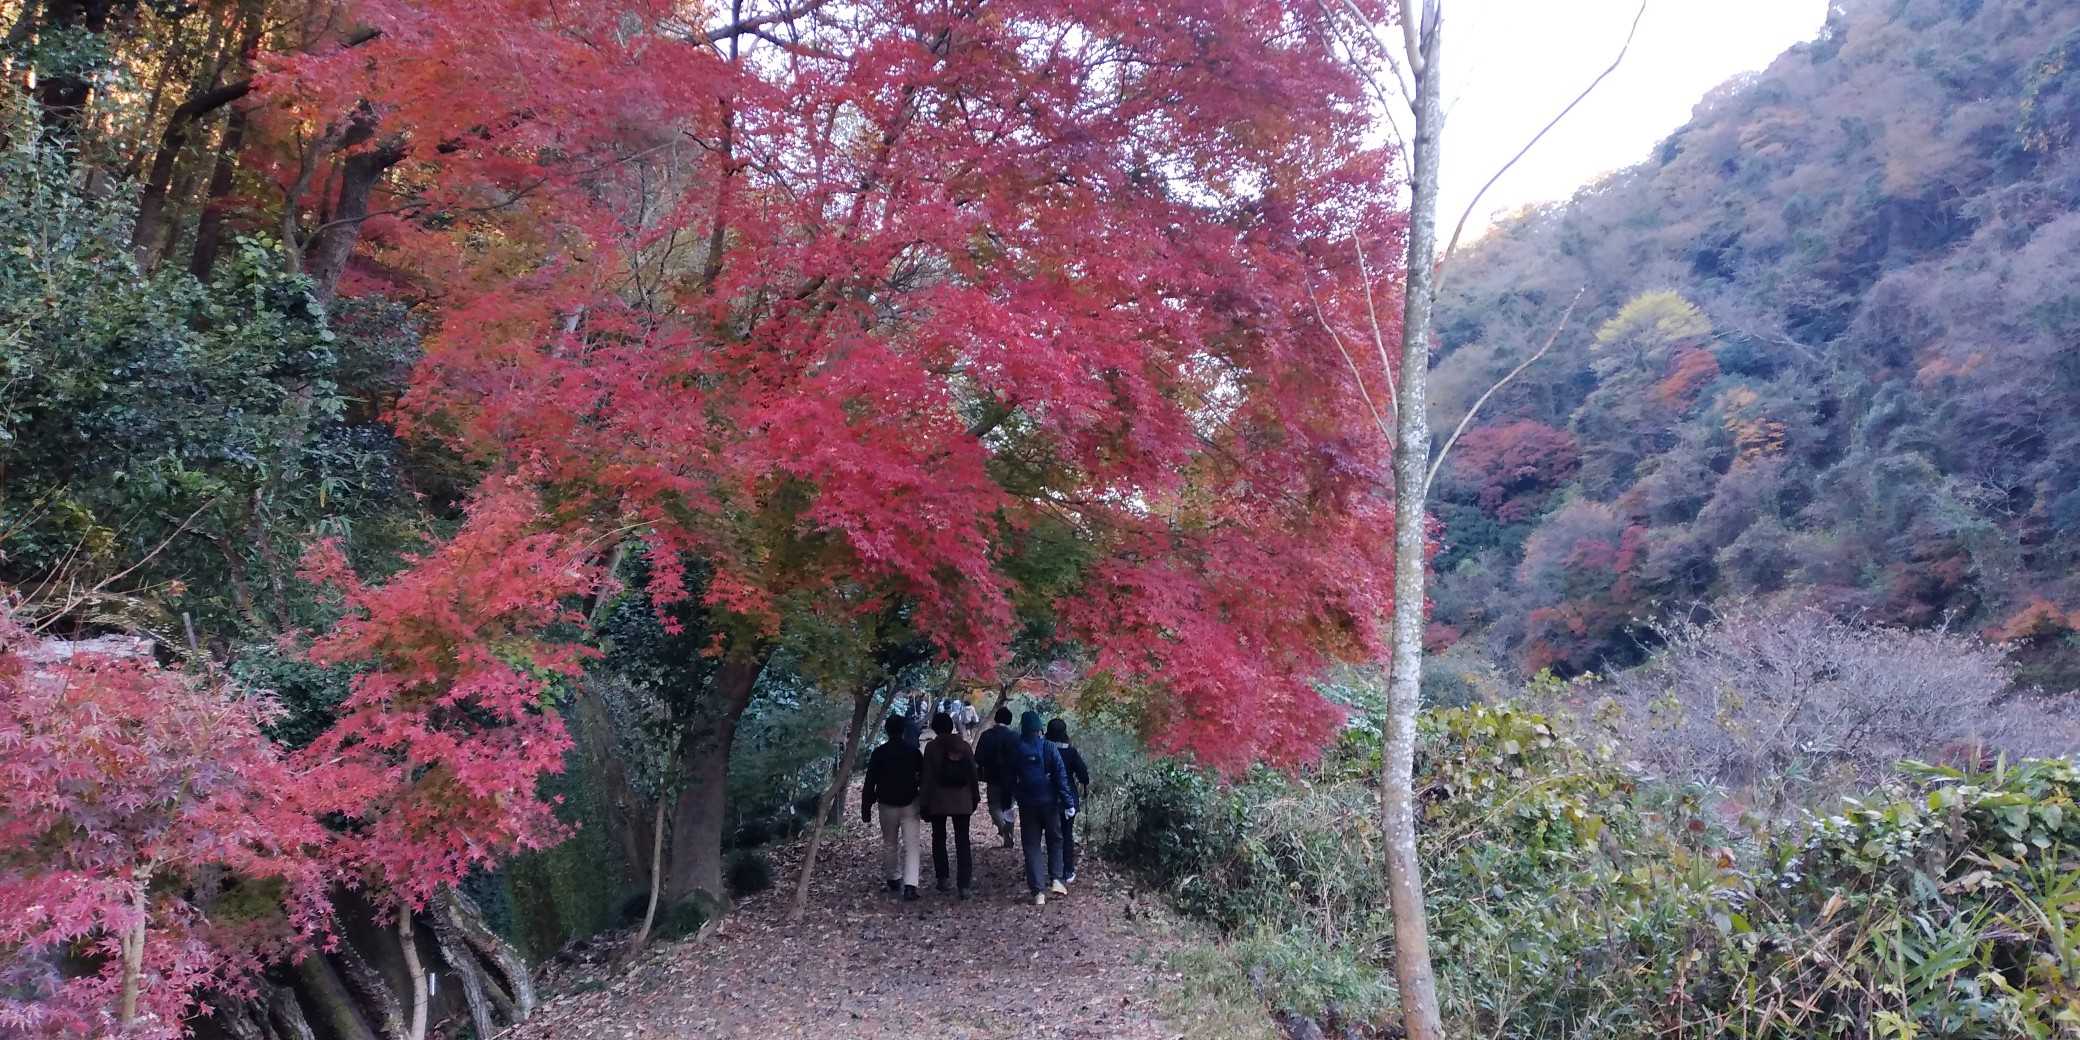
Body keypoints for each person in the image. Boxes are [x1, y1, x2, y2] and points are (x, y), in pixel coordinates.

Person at [1007, 710, 1076, 905]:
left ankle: (1038, 892)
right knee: (1055, 840)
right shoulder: (1049, 747)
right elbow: (1061, 777)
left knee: (1032, 846)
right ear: (1040, 728)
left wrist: (1010, 802)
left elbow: (1009, 779)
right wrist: (1068, 803)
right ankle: (1056, 880)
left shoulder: (1016, 748)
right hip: (1050, 804)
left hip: (1027, 805)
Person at [861, 713, 924, 901]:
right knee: (911, 845)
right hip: (910, 802)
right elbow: (923, 777)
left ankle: (893, 878)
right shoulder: (913, 752)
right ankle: (911, 886)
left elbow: (870, 781)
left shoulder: (879, 753)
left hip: (886, 803)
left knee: (890, 843)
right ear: (903, 730)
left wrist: (866, 807)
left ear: (886, 731)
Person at [920, 711, 982, 898]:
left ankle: (943, 878)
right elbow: (973, 774)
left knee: (938, 838)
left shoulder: (931, 748)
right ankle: (964, 885)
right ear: (951, 726)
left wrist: (924, 802)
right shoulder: (964, 746)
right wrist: (975, 797)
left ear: (935, 728)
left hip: (938, 800)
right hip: (962, 799)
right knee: (962, 841)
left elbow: (926, 777)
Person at [1046, 717, 1092, 884]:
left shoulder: (1044, 749)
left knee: (1051, 835)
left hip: (1048, 797)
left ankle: (1054, 872)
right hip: (1068, 799)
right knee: (1067, 835)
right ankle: (1068, 870)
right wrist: (1084, 782)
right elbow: (1083, 774)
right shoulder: (1071, 752)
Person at [973, 705, 1019, 848]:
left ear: (996, 719)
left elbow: (978, 758)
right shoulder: (1015, 736)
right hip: (1011, 778)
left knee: (994, 806)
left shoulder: (986, 735)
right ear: (1009, 720)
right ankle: (1009, 835)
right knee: (1008, 806)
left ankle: (1004, 829)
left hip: (992, 776)